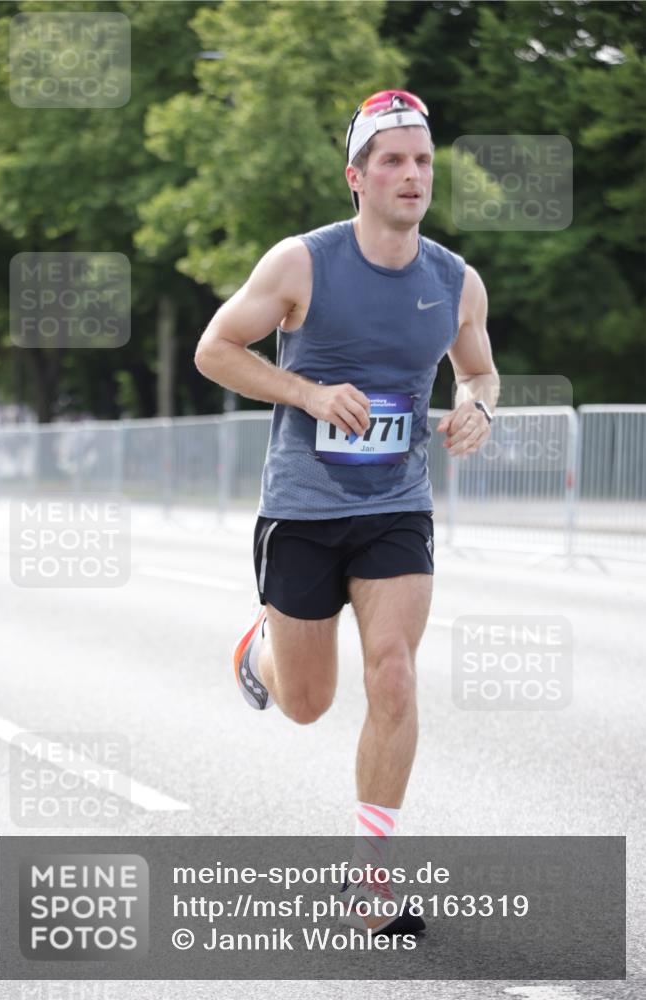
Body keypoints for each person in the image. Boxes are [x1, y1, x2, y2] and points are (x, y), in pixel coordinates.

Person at [195, 89, 499, 937]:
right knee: (306, 704)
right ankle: (260, 644)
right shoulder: (301, 263)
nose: (412, 175)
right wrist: (308, 392)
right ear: (355, 178)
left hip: (396, 503)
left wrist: (477, 406)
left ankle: (372, 880)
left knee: (393, 674)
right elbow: (215, 348)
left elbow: (477, 370)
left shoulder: (454, 279)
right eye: (393, 161)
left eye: (423, 160)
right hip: (302, 507)